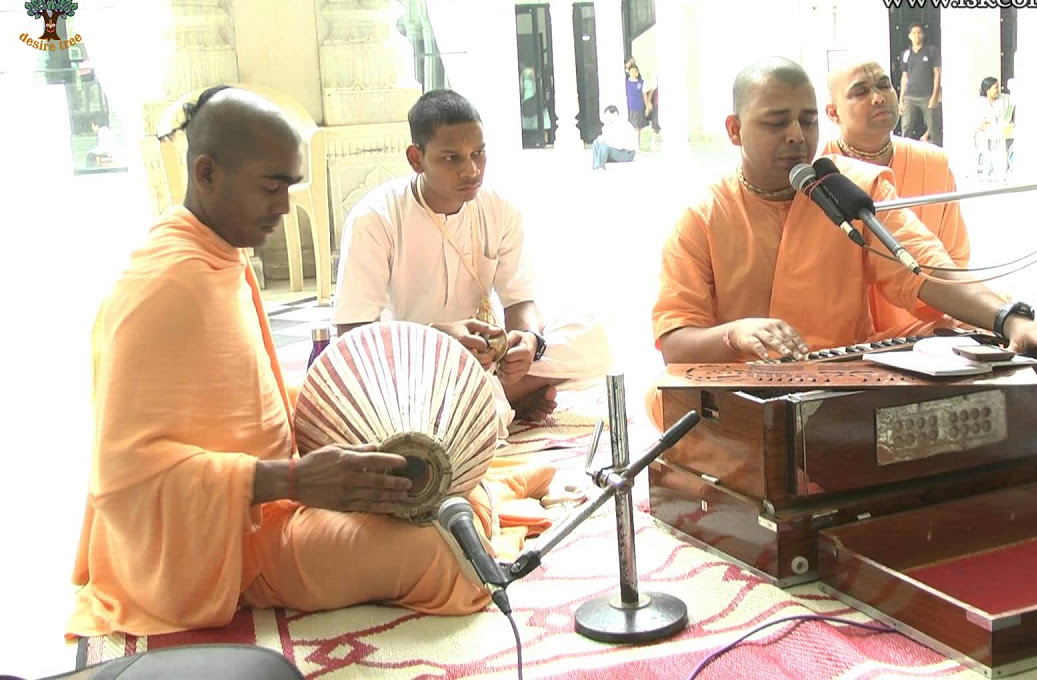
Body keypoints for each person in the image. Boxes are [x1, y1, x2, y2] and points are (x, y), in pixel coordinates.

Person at [68, 86, 555, 638]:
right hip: (225, 542)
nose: (285, 205)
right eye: (272, 185)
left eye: (291, 186)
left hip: (276, 489)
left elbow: (250, 403)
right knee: (447, 557)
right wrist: (293, 479)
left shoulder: (214, 255)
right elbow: (121, 479)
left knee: (438, 480)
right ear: (206, 174)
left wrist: (335, 430)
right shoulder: (164, 285)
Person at [647, 58, 1037, 423]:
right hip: (744, 394)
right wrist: (734, 334)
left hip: (844, 381)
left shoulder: (851, 190)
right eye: (777, 122)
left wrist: (1011, 321)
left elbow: (926, 270)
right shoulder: (702, 217)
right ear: (735, 130)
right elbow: (675, 342)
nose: (797, 134)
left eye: (808, 120)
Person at [333, 89, 610, 432]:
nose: (471, 170)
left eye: (478, 153)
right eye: (452, 158)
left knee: (589, 331)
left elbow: (521, 301)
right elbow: (351, 337)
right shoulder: (375, 219)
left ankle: (490, 399)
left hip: (485, 360)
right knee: (462, 412)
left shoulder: (500, 209)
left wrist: (528, 341)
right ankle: (497, 401)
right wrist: (438, 337)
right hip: (413, 369)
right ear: (415, 159)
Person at [823, 59, 970, 336]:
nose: (878, 98)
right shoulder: (821, 174)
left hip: (924, 328)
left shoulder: (933, 163)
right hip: (845, 340)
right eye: (860, 92)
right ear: (834, 113)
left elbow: (955, 258)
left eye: (883, 85)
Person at [898, 23, 943, 146]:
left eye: (919, 33)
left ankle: (937, 157)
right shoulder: (906, 54)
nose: (917, 36)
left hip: (927, 96)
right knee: (906, 128)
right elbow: (904, 77)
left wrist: (935, 96)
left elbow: (937, 73)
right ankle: (905, 157)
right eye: (914, 33)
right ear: (909, 36)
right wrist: (901, 99)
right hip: (910, 96)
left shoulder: (931, 51)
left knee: (934, 129)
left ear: (923, 35)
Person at [975, 77, 1015, 180]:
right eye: (995, 88)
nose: (998, 90)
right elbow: (980, 123)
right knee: (987, 161)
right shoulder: (979, 103)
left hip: (1001, 135)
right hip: (985, 137)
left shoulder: (1005, 99)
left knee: (1001, 161)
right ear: (987, 90)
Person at [592, 105, 638, 170]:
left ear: (615, 114)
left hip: (627, 153)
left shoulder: (623, 125)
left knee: (603, 145)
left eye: (608, 116)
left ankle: (600, 166)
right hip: (618, 151)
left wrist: (605, 141)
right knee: (596, 143)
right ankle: (596, 166)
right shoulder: (611, 125)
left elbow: (620, 145)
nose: (607, 119)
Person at [625, 61, 647, 137]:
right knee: (630, 126)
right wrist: (629, 64)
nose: (633, 73)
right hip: (629, 107)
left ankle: (637, 143)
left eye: (635, 72)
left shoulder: (641, 83)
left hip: (638, 108)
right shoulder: (626, 82)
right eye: (632, 72)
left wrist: (646, 106)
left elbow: (644, 94)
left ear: (637, 73)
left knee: (638, 127)